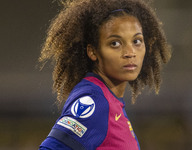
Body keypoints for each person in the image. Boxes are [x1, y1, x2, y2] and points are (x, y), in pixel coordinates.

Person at [39, 0, 171, 149]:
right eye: (115, 43)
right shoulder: (94, 101)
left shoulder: (110, 100)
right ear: (93, 51)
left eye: (137, 41)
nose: (130, 53)